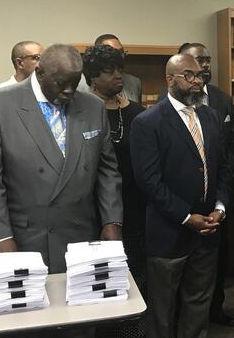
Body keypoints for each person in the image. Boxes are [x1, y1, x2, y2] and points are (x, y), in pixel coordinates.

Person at [0, 44, 123, 273]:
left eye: (74, 83)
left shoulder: (93, 106)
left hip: (81, 238)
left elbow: (107, 171)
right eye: (61, 83)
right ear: (39, 73)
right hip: (24, 239)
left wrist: (112, 220)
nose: (69, 91)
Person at [130, 53, 230, 338]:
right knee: (162, 309)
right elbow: (148, 180)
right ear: (170, 79)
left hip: (208, 229)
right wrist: (186, 216)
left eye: (200, 75)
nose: (197, 81)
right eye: (189, 75)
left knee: (198, 303)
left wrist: (220, 207)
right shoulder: (148, 121)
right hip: (169, 231)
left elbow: (222, 167)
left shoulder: (210, 116)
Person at [83, 45, 147, 337]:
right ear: (93, 78)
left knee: (136, 275)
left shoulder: (137, 113)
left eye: (120, 69)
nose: (118, 76)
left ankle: (133, 331)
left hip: (135, 205)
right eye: (109, 72)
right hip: (97, 210)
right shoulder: (83, 112)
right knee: (103, 278)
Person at [177, 42, 234, 327]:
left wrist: (221, 187)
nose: (204, 66)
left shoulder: (222, 99)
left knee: (217, 258)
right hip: (184, 201)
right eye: (197, 61)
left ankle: (216, 309)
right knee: (185, 266)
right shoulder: (168, 104)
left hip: (218, 193)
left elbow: (233, 144)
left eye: (206, 60)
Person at [77, 33, 143, 103]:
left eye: (121, 52)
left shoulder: (134, 83)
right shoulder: (79, 85)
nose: (120, 57)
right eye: (112, 52)